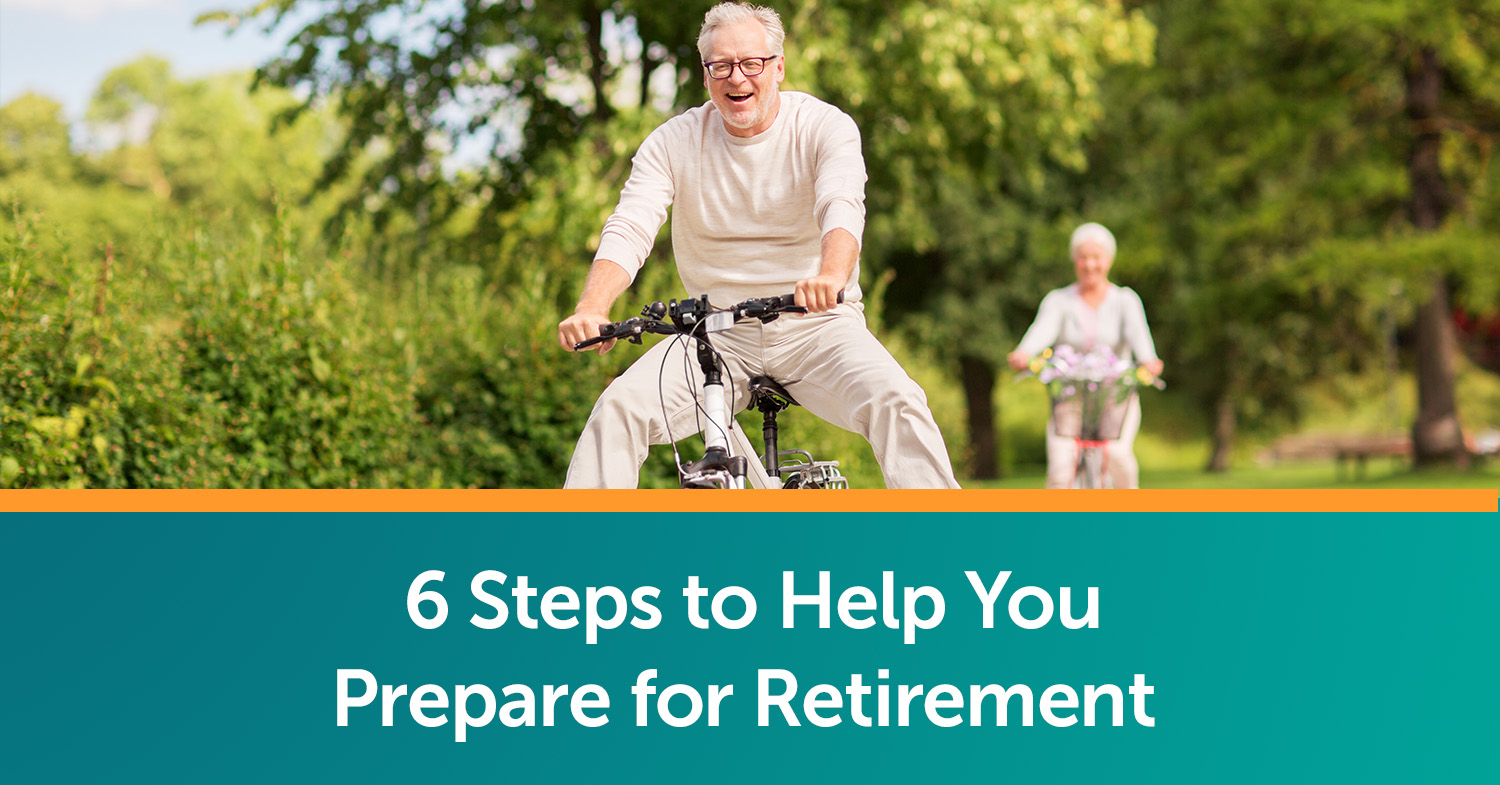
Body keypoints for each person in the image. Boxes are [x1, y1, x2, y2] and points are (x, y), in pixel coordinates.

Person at [557, 2, 959, 489]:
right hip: (716, 334)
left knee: (898, 401)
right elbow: (631, 224)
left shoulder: (823, 127)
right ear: (705, 76)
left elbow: (841, 204)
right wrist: (593, 306)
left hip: (817, 326)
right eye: (721, 66)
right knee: (617, 410)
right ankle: (583, 554)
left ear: (779, 67)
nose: (737, 78)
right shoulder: (673, 142)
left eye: (752, 63)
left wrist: (831, 276)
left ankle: (945, 544)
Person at [1007, 222, 1163, 489]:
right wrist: (1024, 352)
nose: (1090, 265)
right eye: (1083, 257)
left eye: (1096, 257)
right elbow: (1041, 330)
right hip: (1070, 399)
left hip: (1116, 397)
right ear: (1074, 260)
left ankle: (1135, 522)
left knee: (1117, 455)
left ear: (1109, 261)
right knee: (1060, 468)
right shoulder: (1059, 301)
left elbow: (1140, 336)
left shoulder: (1125, 300)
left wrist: (1149, 360)